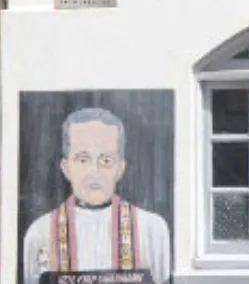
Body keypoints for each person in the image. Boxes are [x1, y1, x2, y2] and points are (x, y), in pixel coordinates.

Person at [23, 108, 170, 284]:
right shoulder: (40, 232)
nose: (94, 172)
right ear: (66, 168)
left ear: (120, 168)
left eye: (106, 160)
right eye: (83, 160)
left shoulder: (152, 230)